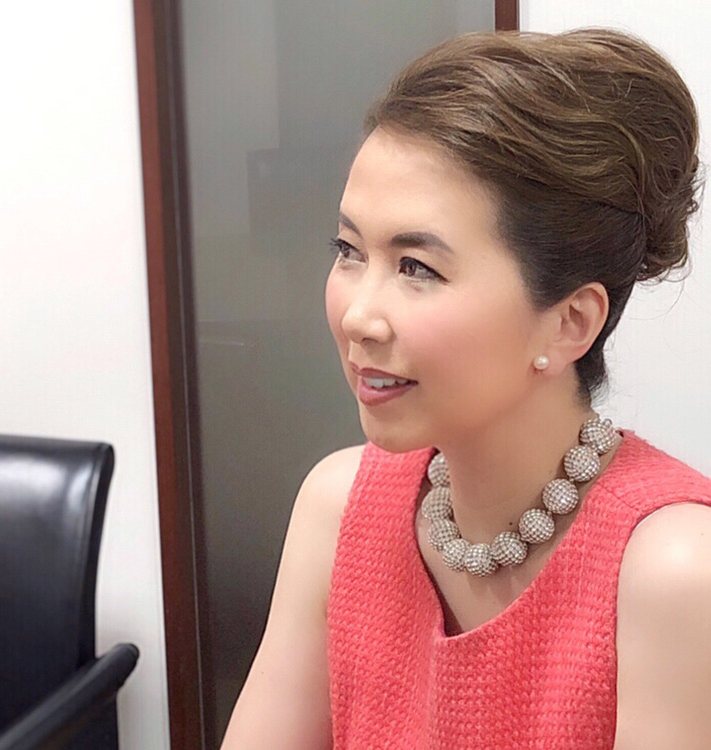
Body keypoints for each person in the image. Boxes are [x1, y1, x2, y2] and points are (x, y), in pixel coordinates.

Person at [220, 28, 711, 749]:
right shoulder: (339, 509)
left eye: (417, 267)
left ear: (570, 323)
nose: (357, 316)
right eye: (349, 251)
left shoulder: (675, 571)